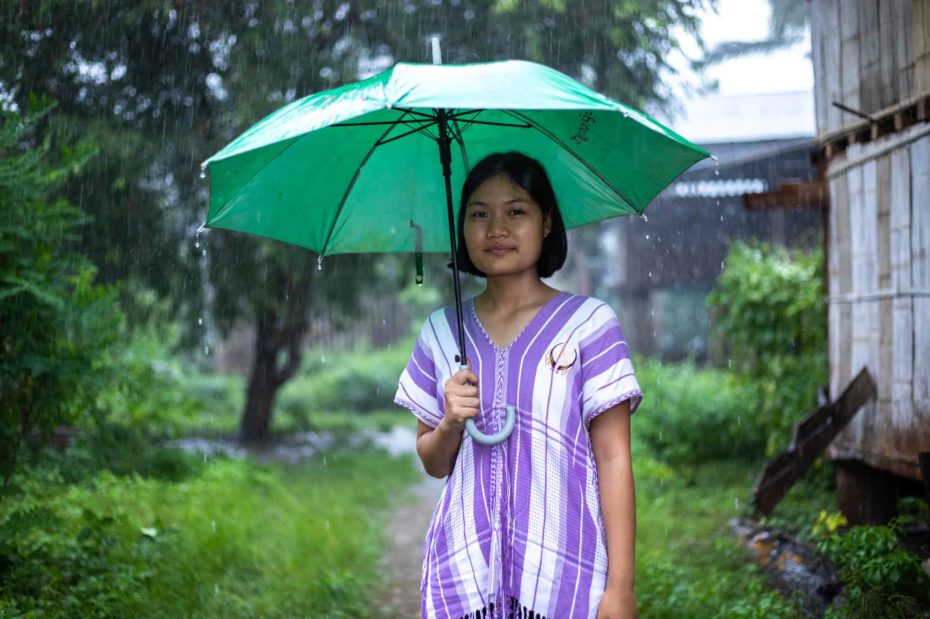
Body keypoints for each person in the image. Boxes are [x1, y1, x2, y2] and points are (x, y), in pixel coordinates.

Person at [395, 152, 641, 619]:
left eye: (516, 211)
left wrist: (621, 588)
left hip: (566, 578)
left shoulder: (589, 325)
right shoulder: (441, 332)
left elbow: (614, 459)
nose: (496, 229)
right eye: (479, 214)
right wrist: (449, 422)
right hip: (464, 582)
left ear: (547, 222)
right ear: (462, 229)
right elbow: (432, 460)